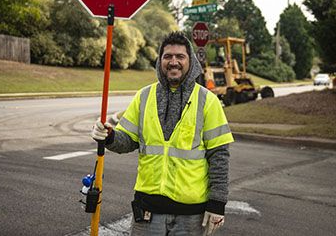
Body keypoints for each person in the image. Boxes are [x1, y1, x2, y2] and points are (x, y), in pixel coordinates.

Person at [91, 31, 234, 236]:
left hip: (191, 215)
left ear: (190, 61)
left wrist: (217, 203)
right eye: (167, 56)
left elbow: (219, 155)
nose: (173, 62)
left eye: (180, 57)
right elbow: (128, 140)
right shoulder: (144, 96)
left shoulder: (207, 100)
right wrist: (109, 136)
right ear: (160, 61)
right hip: (148, 210)